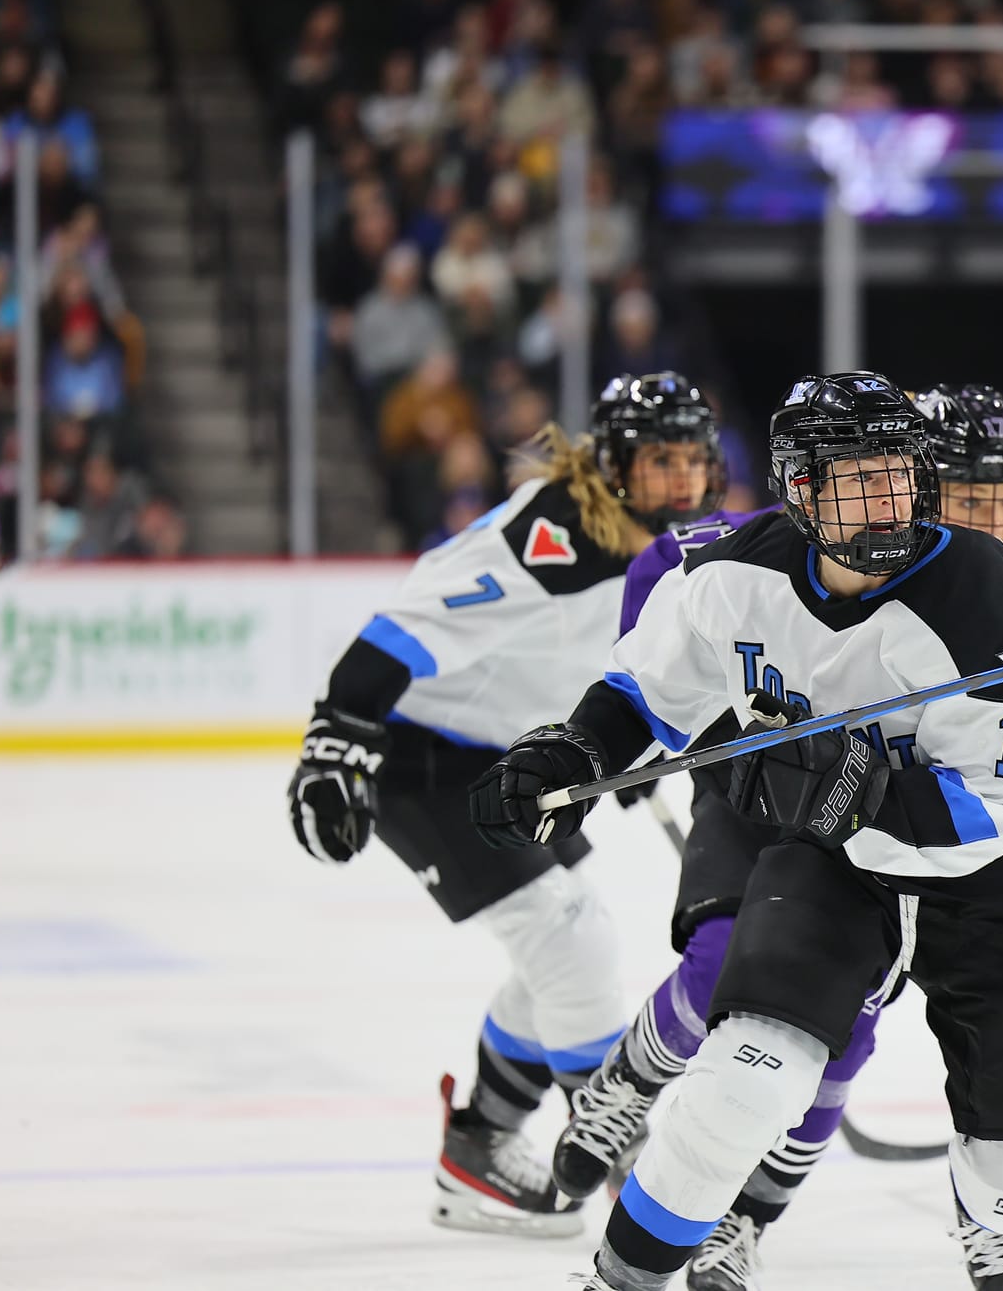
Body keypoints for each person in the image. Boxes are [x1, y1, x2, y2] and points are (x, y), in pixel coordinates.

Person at [536, 382, 1003, 1290]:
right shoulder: (788, 548)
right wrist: (605, 743)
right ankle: (645, 1214)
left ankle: (984, 1208)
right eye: (963, 491)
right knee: (748, 1059)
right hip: (825, 839)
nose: (984, 514)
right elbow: (668, 619)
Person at [284, 373, 724, 1236]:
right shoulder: (553, 531)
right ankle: (625, 1162)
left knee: (564, 947)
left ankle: (479, 1145)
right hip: (421, 751)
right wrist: (335, 740)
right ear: (612, 462)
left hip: (504, 752)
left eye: (692, 460)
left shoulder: (664, 546)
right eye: (657, 458)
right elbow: (406, 620)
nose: (679, 479)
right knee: (570, 939)